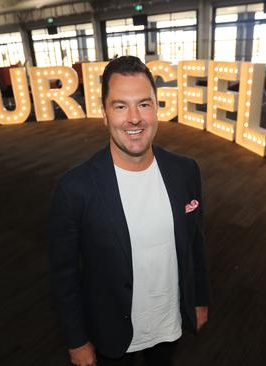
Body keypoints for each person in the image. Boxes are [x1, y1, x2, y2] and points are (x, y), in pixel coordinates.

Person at [49, 56, 209, 366]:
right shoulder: (74, 189)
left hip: (169, 322)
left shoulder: (186, 171)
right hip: (112, 332)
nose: (134, 118)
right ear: (105, 115)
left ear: (157, 108)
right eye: (121, 106)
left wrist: (199, 300)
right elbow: (64, 275)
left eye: (144, 104)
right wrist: (76, 341)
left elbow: (196, 244)